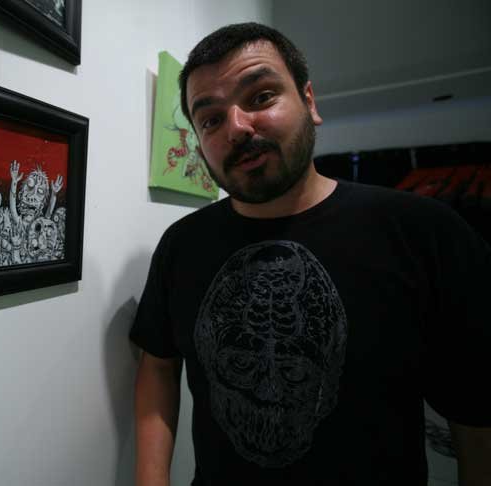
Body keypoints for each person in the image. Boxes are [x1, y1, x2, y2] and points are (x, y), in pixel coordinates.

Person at [130, 22, 491, 486]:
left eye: (261, 96)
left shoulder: (424, 233)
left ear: (309, 102)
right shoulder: (181, 245)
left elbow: (476, 412)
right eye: (211, 119)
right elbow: (159, 364)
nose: (236, 127)